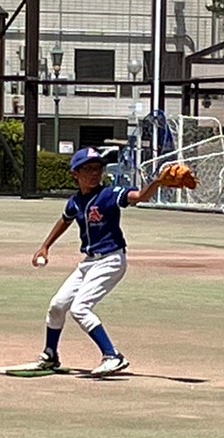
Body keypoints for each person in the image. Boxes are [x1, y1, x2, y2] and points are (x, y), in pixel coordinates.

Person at [24, 147, 170, 376]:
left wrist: (157, 183)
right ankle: (51, 355)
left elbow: (140, 197)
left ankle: (113, 356)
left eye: (98, 168)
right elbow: (65, 220)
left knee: (80, 308)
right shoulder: (75, 202)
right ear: (75, 173)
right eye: (88, 169)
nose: (94, 173)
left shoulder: (110, 194)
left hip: (111, 260)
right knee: (57, 305)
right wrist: (45, 246)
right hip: (89, 262)